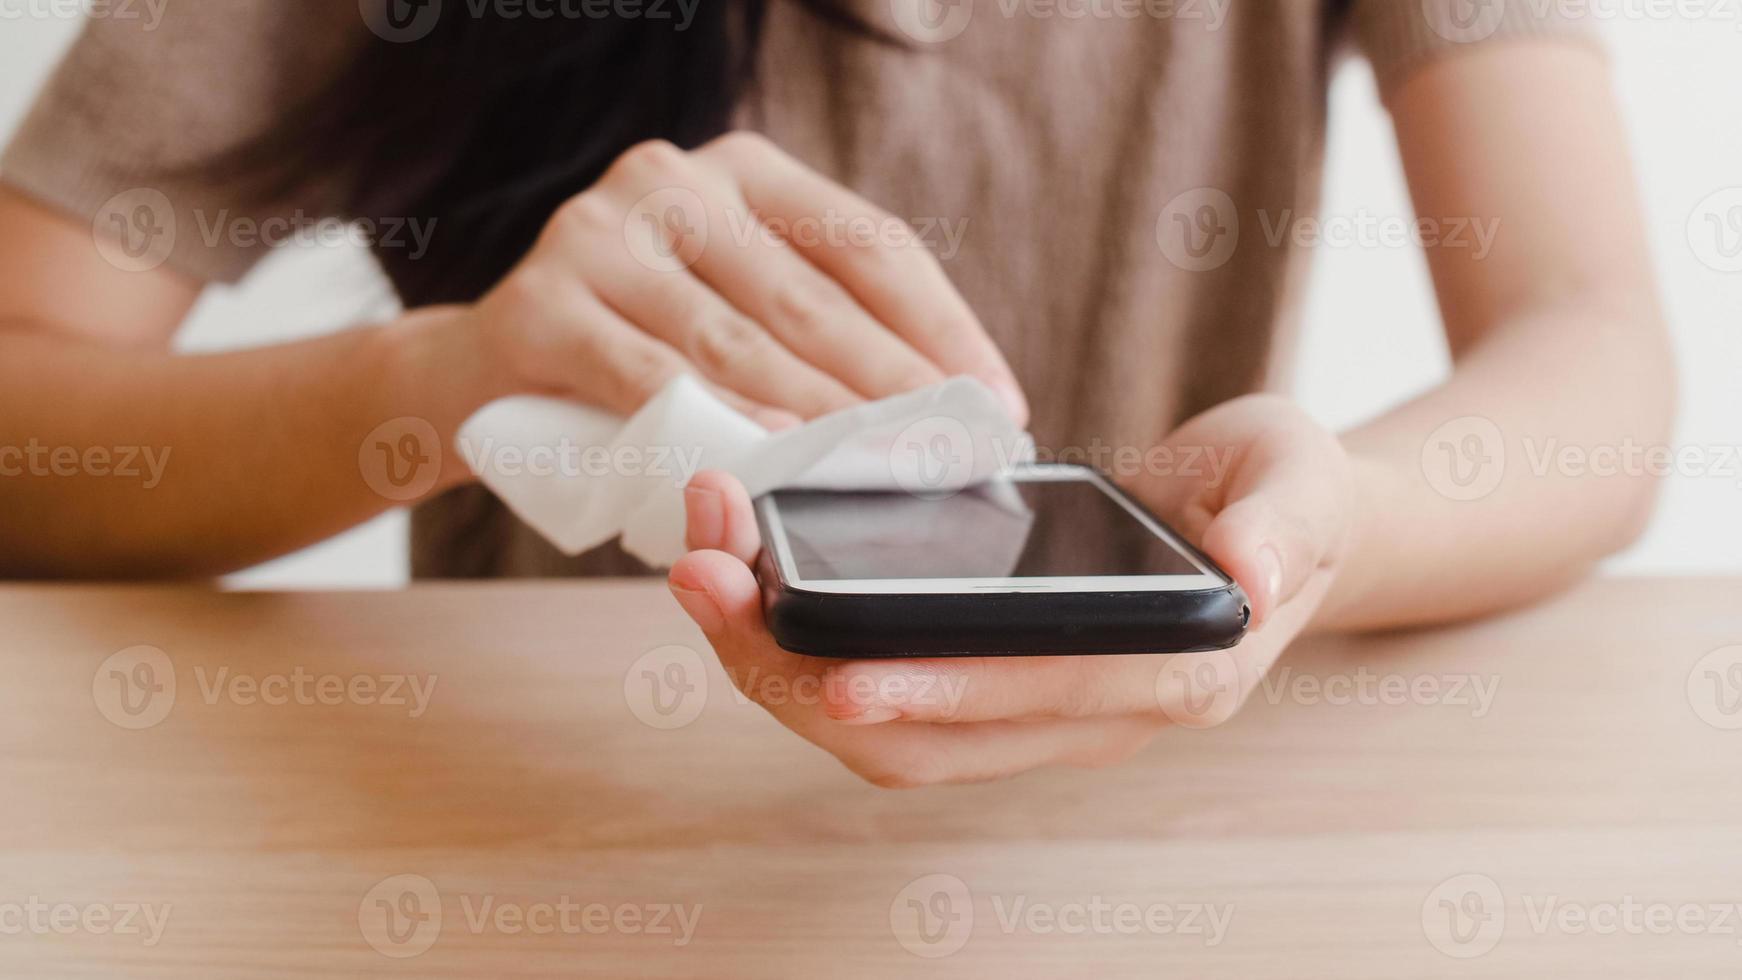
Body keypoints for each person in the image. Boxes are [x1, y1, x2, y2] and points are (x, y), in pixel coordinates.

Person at [0, 1, 1673, 785]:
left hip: (1142, 853)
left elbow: (1593, 344)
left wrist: (1335, 529)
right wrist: (443, 377)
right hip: (541, 846)